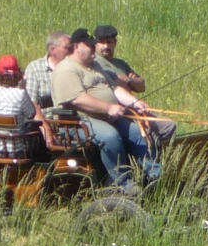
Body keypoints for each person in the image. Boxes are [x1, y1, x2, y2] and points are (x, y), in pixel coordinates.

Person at [50, 28, 156, 191]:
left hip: (106, 117)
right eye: (90, 46)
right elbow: (79, 100)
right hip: (78, 122)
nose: (94, 49)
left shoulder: (96, 65)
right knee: (110, 136)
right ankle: (122, 182)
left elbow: (114, 89)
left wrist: (135, 102)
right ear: (77, 47)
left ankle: (154, 176)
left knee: (138, 133)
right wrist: (109, 108)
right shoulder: (66, 69)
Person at [93, 23, 177, 153]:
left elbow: (141, 85)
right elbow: (115, 85)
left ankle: (164, 159)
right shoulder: (95, 63)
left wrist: (129, 80)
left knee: (168, 126)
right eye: (102, 42)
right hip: (117, 110)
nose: (106, 46)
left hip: (134, 108)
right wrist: (126, 82)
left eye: (109, 42)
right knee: (141, 131)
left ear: (115, 43)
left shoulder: (120, 63)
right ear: (95, 44)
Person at [0, 55, 43, 156]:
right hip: (13, 148)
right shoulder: (20, 94)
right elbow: (31, 114)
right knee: (35, 129)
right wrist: (23, 88)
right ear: (18, 75)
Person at [23, 32, 71, 110]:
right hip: (45, 118)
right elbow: (30, 103)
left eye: (72, 48)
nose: (71, 51)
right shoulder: (35, 68)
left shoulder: (73, 68)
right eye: (67, 48)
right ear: (52, 49)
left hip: (71, 118)